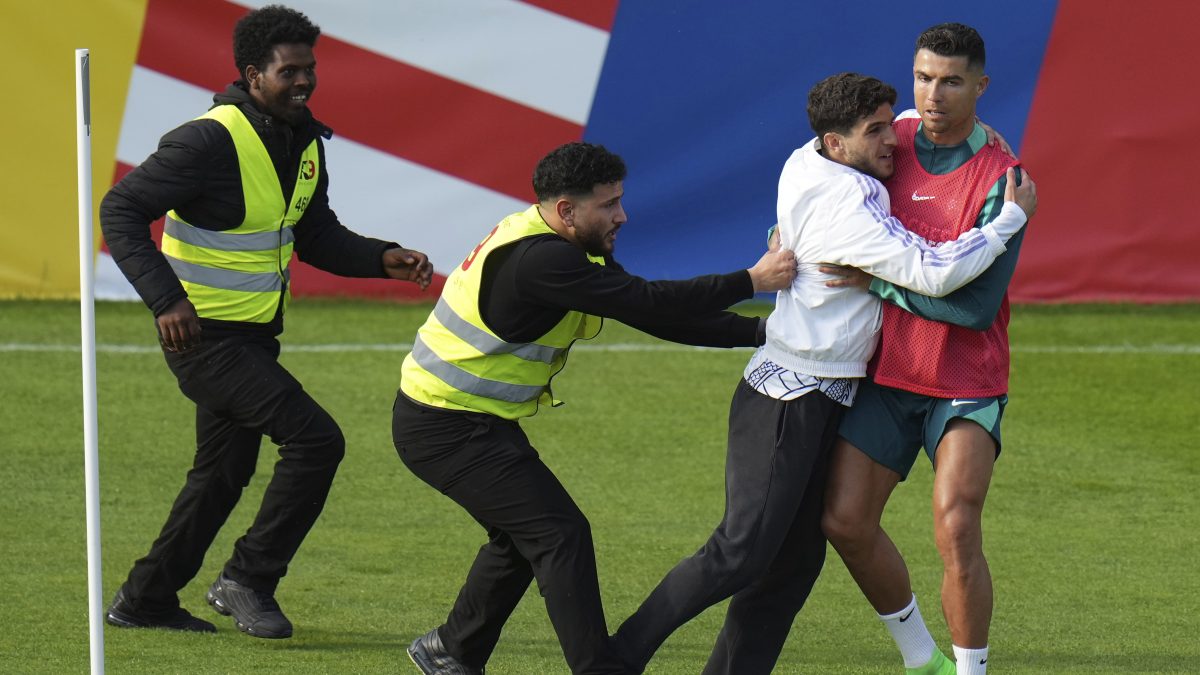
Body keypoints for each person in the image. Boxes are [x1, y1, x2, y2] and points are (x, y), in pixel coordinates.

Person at [611, 71, 1035, 674]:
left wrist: (973, 128)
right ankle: (612, 660)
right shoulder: (850, 205)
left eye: (891, 123)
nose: (894, 139)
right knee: (739, 552)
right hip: (790, 400)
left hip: (825, 394)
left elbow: (905, 125)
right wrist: (1007, 222)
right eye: (876, 131)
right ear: (837, 142)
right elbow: (936, 274)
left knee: (791, 566)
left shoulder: (806, 157)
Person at [393, 140, 798, 675]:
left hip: (464, 420)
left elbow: (646, 312)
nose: (622, 216)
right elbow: (650, 301)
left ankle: (451, 649)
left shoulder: (557, 241)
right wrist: (750, 282)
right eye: (609, 205)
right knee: (559, 534)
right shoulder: (544, 261)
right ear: (567, 210)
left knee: (524, 538)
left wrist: (760, 332)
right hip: (444, 426)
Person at [99, 4, 433, 639]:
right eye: (289, 71)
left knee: (221, 476)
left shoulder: (302, 138)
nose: (305, 81)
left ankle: (146, 598)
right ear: (253, 75)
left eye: (310, 69)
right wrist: (166, 300)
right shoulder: (205, 141)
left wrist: (380, 257)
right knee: (316, 441)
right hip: (203, 339)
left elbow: (314, 234)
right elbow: (120, 210)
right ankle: (247, 580)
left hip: (252, 339)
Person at [821, 23, 1030, 675]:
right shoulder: (888, 141)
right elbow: (823, 188)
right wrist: (787, 231)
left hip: (967, 379)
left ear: (981, 86)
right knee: (845, 520)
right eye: (923, 78)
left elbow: (972, 309)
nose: (933, 94)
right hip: (889, 372)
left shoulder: (1005, 180)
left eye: (951, 82)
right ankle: (922, 659)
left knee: (956, 525)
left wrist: (876, 281)